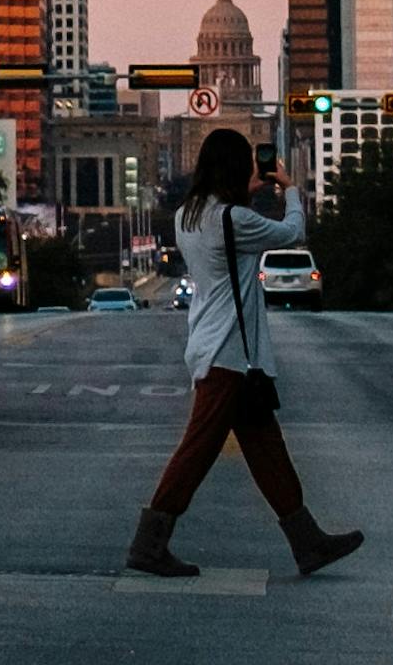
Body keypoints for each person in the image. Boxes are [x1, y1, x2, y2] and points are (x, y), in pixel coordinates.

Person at [126, 128, 363, 580]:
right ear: (236, 167)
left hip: (212, 344)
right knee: (196, 452)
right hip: (229, 356)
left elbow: (232, 242)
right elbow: (292, 233)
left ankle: (307, 541)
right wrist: (290, 189)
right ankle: (148, 543)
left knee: (268, 449)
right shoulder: (233, 219)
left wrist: (249, 193)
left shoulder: (188, 215)